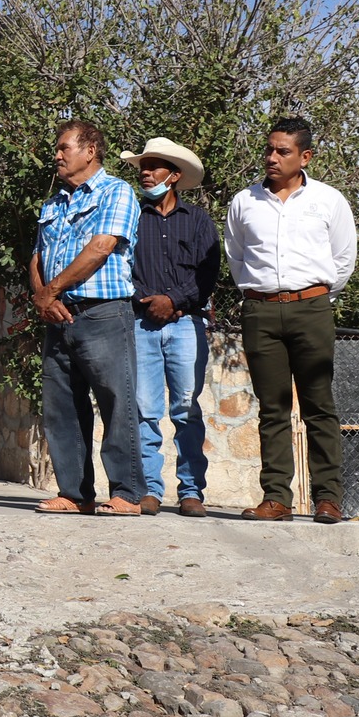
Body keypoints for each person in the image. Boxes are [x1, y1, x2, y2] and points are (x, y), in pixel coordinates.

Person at [224, 116, 358, 523]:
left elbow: (344, 258)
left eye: (283, 151)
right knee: (273, 408)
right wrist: (260, 293)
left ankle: (328, 499)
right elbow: (236, 256)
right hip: (260, 311)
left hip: (312, 309)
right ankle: (276, 498)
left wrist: (314, 296)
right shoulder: (244, 202)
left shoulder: (329, 201)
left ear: (305, 156)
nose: (272, 157)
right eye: (269, 149)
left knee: (319, 405)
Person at [31, 120, 147, 516]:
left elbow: (101, 247)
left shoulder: (118, 192)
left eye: (65, 147)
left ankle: (128, 493)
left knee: (116, 401)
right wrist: (42, 297)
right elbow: (36, 257)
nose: (57, 155)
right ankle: (75, 493)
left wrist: (51, 290)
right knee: (61, 405)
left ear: (90, 150)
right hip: (58, 315)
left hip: (102, 312)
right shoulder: (53, 203)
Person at [117, 137, 220, 518]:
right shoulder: (130, 217)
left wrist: (173, 301)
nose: (145, 172)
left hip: (186, 324)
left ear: (174, 175)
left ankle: (192, 491)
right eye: (143, 166)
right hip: (141, 323)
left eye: (154, 166)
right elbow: (121, 267)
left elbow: (208, 273)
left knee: (185, 409)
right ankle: (149, 491)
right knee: (144, 410)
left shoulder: (198, 220)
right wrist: (150, 300)